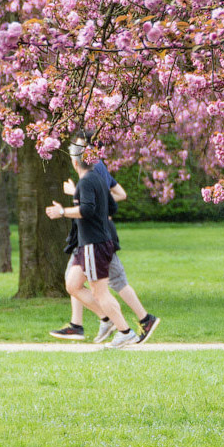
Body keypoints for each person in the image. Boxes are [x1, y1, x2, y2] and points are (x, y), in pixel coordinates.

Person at [49, 148, 160, 345]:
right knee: (72, 285)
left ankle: (125, 331)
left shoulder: (85, 182)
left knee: (100, 291)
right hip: (89, 243)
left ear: (75, 164)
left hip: (94, 244)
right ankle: (107, 319)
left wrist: (62, 211)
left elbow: (86, 210)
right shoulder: (98, 179)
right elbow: (112, 206)